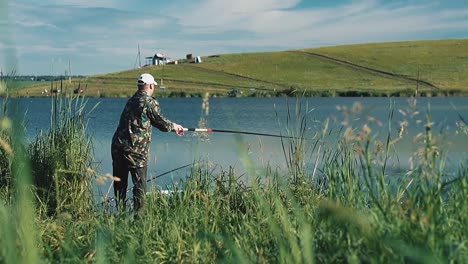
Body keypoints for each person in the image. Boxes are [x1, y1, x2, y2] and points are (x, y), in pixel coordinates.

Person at [111, 73, 184, 212]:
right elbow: (161, 123)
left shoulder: (132, 100)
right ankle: (140, 220)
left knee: (120, 186)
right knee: (139, 187)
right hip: (136, 151)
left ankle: (120, 215)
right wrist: (175, 126)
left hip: (118, 147)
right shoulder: (148, 102)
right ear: (150, 86)